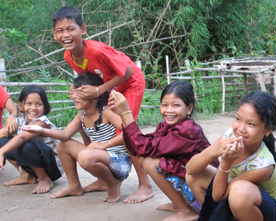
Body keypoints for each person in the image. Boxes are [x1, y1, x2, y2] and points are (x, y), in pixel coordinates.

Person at [51, 6, 153, 204]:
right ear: (54, 33)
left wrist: (98, 91)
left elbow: (127, 73)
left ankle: (145, 185)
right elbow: (89, 79)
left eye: (71, 29)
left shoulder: (97, 50)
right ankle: (103, 178)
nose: (66, 35)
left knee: (126, 132)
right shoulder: (68, 56)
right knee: (92, 122)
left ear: (83, 29)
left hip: (130, 83)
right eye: (60, 30)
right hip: (108, 87)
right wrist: (78, 90)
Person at [108, 81, 219, 220]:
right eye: (165, 105)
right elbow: (140, 149)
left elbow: (143, 147)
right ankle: (180, 203)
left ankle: (185, 211)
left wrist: (126, 112)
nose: (169, 110)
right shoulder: (165, 126)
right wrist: (123, 115)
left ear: (189, 108)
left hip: (208, 196)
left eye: (176, 105)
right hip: (193, 186)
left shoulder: (187, 130)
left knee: (151, 163)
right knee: (145, 159)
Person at [186, 90, 276, 221]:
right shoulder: (229, 136)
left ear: (268, 130)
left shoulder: (263, 165)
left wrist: (225, 162)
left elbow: (219, 196)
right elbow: (190, 169)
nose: (241, 129)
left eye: (251, 124)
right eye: (238, 119)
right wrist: (214, 151)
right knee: (195, 175)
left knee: (239, 192)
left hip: (274, 213)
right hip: (234, 198)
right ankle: (216, 216)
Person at [23, 73, 131, 202]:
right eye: (73, 93)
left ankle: (112, 183)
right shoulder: (82, 116)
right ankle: (74, 186)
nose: (74, 96)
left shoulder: (106, 112)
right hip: (99, 157)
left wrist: (104, 145)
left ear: (94, 96)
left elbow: (129, 132)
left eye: (78, 93)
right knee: (63, 145)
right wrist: (41, 130)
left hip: (120, 162)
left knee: (86, 156)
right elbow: (64, 134)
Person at [0, 85, 64, 194]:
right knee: (3, 140)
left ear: (45, 106)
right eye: (28, 104)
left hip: (52, 166)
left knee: (25, 144)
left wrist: (1, 151)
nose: (33, 108)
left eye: (38, 104)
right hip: (36, 162)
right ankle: (27, 175)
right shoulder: (21, 121)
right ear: (20, 105)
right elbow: (3, 133)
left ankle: (45, 179)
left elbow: (22, 137)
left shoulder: (42, 122)